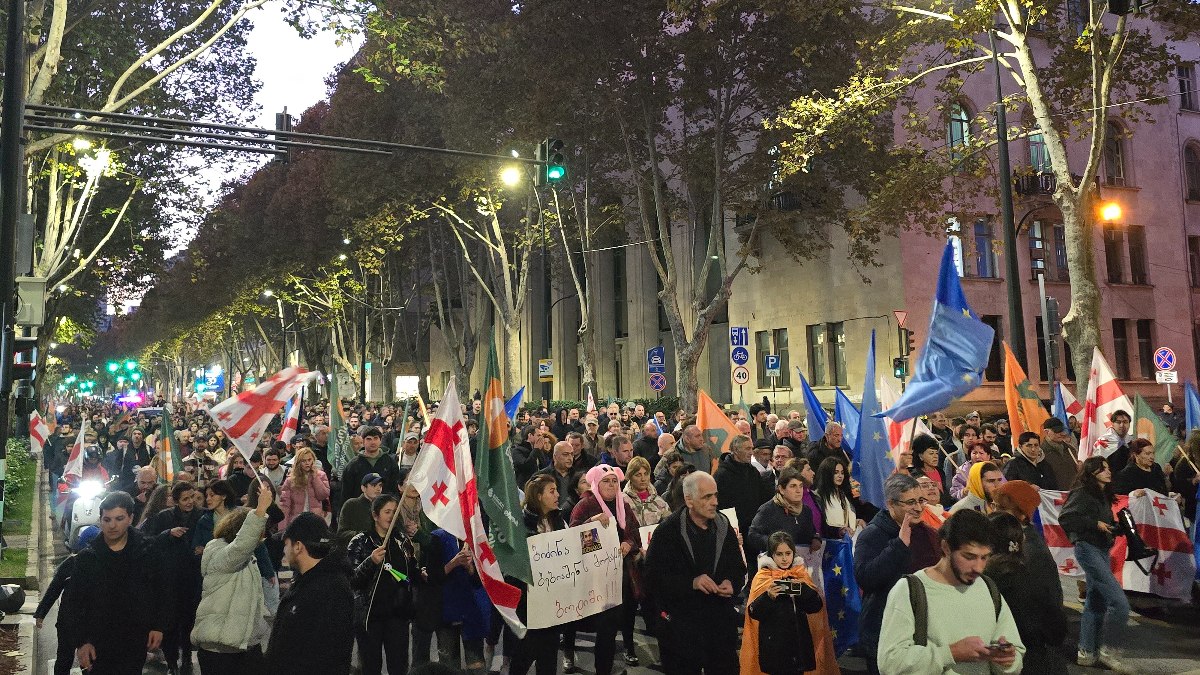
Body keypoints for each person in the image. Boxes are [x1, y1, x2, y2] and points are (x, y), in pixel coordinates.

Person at [877, 509, 1024, 674]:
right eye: (969, 557)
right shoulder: (909, 590)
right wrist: (951, 653)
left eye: (984, 557)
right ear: (946, 547)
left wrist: (1006, 660)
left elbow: (1016, 655)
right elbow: (890, 663)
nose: (978, 568)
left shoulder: (988, 587)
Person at [645, 471, 745, 674]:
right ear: (689, 500)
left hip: (719, 626)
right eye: (707, 497)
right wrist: (691, 582)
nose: (715, 502)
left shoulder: (724, 525)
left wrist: (732, 582)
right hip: (681, 629)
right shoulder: (667, 532)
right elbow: (653, 579)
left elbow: (738, 567)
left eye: (715, 495)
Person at [64, 491, 169, 674]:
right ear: (101, 520)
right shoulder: (88, 558)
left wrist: (157, 626)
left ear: (130, 518)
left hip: (134, 637)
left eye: (119, 518)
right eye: (107, 519)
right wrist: (81, 641)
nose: (112, 525)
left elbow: (160, 590)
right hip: (98, 641)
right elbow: (74, 602)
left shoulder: (148, 551)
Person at [347, 493, 446, 675]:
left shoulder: (402, 540)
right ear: (375, 515)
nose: (391, 516)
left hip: (397, 615)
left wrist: (418, 574)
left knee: (399, 666)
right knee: (370, 667)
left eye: (394, 512)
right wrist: (370, 562)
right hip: (370, 616)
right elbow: (352, 580)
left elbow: (407, 575)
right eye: (387, 512)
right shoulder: (360, 541)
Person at [854, 473, 941, 675]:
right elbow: (866, 578)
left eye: (921, 500)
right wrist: (899, 546)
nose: (919, 508)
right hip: (883, 630)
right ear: (891, 504)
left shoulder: (930, 534)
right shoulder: (872, 534)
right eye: (910, 502)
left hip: (924, 631)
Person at [191, 482, 275, 674]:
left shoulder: (247, 555)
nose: (261, 536)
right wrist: (260, 509)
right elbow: (240, 548)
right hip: (220, 649)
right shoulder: (219, 551)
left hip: (244, 644)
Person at [1059, 456, 1132, 671]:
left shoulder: (1102, 495)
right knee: (1119, 603)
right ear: (1092, 473)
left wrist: (1116, 528)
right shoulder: (1083, 493)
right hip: (1088, 548)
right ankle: (1110, 649)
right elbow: (1066, 518)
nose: (1109, 472)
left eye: (1109, 468)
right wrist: (1094, 524)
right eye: (1104, 469)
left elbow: (1104, 523)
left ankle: (1087, 651)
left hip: (1101, 549)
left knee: (1095, 602)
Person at [569, 465, 643, 671]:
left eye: (614, 481)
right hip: (596, 577)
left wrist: (629, 543)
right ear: (596, 483)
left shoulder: (624, 505)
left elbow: (635, 532)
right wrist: (592, 523)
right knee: (606, 628)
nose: (611, 485)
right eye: (606, 481)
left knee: (621, 621)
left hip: (623, 575)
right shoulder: (585, 505)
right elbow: (573, 538)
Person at [265, 512, 354, 674]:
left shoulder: (331, 589)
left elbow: (328, 652)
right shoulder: (305, 581)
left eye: (286, 544)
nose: (284, 551)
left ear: (298, 546)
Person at [741, 531, 834, 675]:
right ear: (771, 554)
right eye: (779, 554)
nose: (784, 558)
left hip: (798, 648)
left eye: (788, 553)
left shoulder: (800, 574)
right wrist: (768, 596)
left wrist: (803, 590)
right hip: (774, 648)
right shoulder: (763, 577)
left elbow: (816, 607)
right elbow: (753, 613)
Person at [985, 512, 1067, 674]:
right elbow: (1056, 631)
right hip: (1034, 661)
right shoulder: (1033, 577)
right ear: (1021, 540)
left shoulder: (978, 581)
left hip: (990, 662)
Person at [143, 481, 203, 675]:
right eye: (185, 499)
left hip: (192, 578)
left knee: (188, 621)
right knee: (170, 623)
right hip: (169, 580)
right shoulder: (164, 517)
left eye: (192, 497)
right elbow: (149, 542)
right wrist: (168, 534)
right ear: (175, 501)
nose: (190, 502)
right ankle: (171, 662)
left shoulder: (200, 516)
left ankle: (186, 657)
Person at [511, 474, 567, 675]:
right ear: (539, 496)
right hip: (529, 604)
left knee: (549, 658)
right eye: (552, 491)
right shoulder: (521, 524)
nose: (558, 495)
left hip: (552, 604)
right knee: (523, 656)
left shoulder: (558, 519)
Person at [36, 525, 101, 675]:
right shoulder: (71, 564)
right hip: (68, 621)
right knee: (65, 658)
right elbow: (54, 589)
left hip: (89, 623)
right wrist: (41, 613)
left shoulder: (103, 566)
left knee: (89, 659)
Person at [714, 434, 771, 558]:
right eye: (747, 449)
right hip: (734, 532)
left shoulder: (753, 472)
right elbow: (719, 505)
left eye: (751, 448)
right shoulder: (722, 475)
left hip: (753, 529)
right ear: (735, 450)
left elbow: (762, 498)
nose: (751, 452)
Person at [813, 456, 865, 538]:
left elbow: (845, 518)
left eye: (842, 473)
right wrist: (839, 531)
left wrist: (856, 522)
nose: (840, 476)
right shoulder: (818, 495)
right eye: (836, 472)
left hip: (847, 541)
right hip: (830, 542)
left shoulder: (843, 494)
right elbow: (821, 524)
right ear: (827, 474)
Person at [280, 446, 331, 527]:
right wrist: (282, 528)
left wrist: (315, 477)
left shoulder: (321, 475)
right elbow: (285, 506)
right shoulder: (290, 479)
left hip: (315, 520)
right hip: (296, 521)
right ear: (298, 462)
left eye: (309, 460)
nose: (307, 463)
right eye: (303, 461)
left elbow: (323, 495)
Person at [623, 456, 670, 526]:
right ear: (630, 476)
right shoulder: (622, 501)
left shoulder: (660, 502)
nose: (643, 479)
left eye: (646, 474)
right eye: (638, 475)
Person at [338, 473, 384, 541]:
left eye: (380, 485)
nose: (378, 489)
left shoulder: (383, 506)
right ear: (363, 488)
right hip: (356, 548)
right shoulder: (351, 505)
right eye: (374, 485)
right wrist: (362, 535)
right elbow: (341, 533)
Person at [910, 435, 950, 507]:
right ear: (920, 456)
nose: (935, 456)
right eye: (931, 453)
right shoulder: (914, 475)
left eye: (936, 453)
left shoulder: (940, 472)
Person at [1039, 418, 1078, 491]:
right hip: (1055, 497)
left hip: (1074, 494)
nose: (1062, 433)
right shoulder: (1040, 454)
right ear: (1047, 432)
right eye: (1057, 431)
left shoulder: (1070, 449)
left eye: (1062, 430)